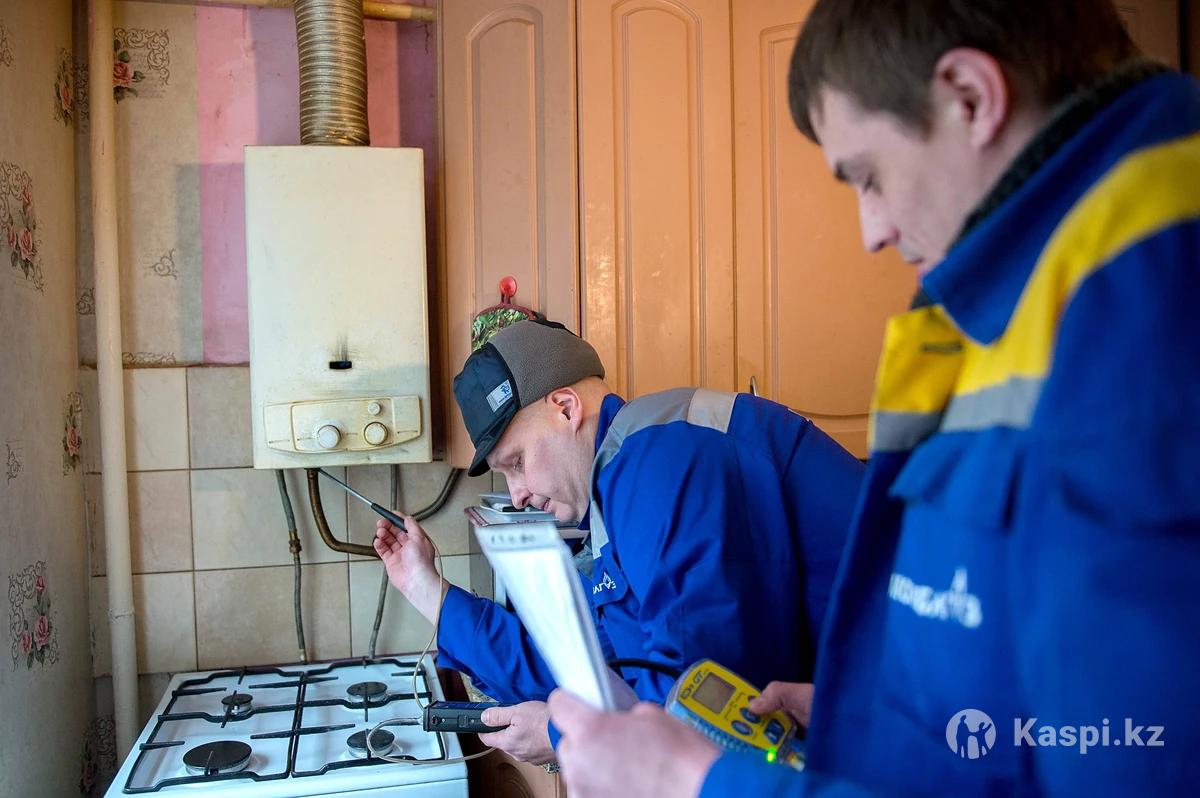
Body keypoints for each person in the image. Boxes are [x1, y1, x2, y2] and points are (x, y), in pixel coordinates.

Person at [547, 0, 1200, 795]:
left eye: (868, 177)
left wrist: (695, 782)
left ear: (970, 97)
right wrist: (866, 718)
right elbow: (1031, 701)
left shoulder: (1149, 303)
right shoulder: (1027, 291)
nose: (871, 230)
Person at [374, 317, 864, 763]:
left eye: (517, 462)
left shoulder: (661, 461)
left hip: (887, 739)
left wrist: (562, 734)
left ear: (565, 408)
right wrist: (423, 586)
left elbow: (698, 701)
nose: (517, 495)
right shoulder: (618, 492)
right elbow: (582, 669)